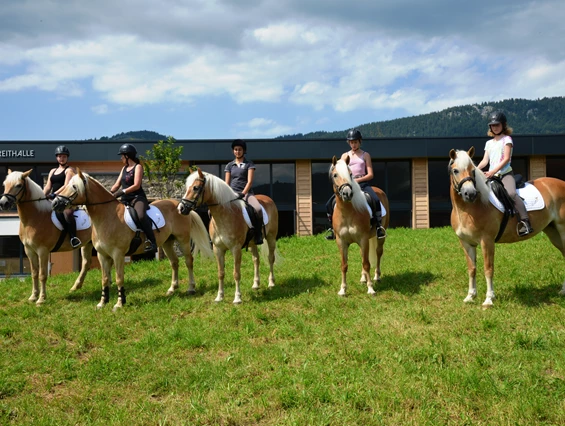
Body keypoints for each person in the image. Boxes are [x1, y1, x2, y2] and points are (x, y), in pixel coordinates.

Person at [477, 111, 533, 236]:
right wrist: (475, 169)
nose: (495, 127)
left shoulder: (507, 139)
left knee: (511, 193)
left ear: (503, 125)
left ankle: (525, 222)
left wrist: (492, 171)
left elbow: (506, 158)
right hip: (492, 175)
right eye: (493, 125)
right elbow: (485, 160)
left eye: (497, 124)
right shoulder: (489, 143)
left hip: (505, 174)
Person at [326, 129, 386, 240]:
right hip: (347, 185)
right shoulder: (344, 156)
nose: (353, 144)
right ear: (349, 143)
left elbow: (370, 174)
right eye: (351, 142)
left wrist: (357, 181)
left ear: (360, 142)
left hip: (362, 184)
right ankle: (333, 229)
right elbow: (339, 170)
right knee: (329, 204)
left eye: (355, 142)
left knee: (375, 200)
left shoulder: (365, 155)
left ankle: (378, 227)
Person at [110, 143, 157, 252]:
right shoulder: (124, 168)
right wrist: (110, 193)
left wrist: (123, 191)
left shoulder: (138, 167)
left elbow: (137, 185)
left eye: (122, 156)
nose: (121, 158)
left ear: (127, 156)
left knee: (140, 216)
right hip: (125, 199)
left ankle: (152, 241)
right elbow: (117, 184)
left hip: (137, 198)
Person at [224, 139, 264, 245]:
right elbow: (226, 183)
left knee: (258, 209)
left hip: (246, 193)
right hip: (232, 194)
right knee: (212, 211)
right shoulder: (229, 165)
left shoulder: (249, 164)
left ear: (244, 151)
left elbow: (250, 181)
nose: (237, 151)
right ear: (233, 151)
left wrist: (243, 193)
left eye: (240, 149)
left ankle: (258, 234)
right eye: (236, 149)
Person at [44, 145, 82, 248]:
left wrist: (54, 194)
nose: (62, 158)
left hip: (67, 200)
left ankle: (73, 237)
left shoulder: (69, 170)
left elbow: (66, 185)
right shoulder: (52, 171)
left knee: (67, 213)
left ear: (67, 157)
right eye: (60, 156)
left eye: (64, 156)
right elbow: (48, 186)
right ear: (57, 157)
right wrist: (42, 195)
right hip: (54, 199)